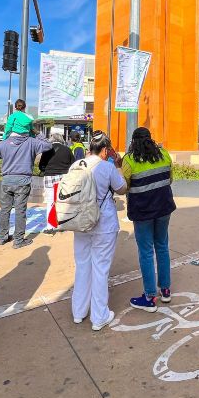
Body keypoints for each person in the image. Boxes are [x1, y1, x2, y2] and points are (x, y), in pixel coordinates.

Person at [71, 131, 127, 330]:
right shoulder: (106, 167)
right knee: (100, 269)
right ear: (105, 150)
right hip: (104, 223)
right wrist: (117, 167)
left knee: (82, 266)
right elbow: (121, 188)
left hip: (80, 223)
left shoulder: (76, 165)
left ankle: (79, 312)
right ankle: (99, 316)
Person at [122, 127, 176, 312]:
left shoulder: (129, 160)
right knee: (162, 247)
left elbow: (123, 186)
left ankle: (150, 297)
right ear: (150, 139)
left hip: (142, 212)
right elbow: (170, 179)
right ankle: (166, 290)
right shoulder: (164, 154)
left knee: (146, 252)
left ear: (133, 141)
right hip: (164, 209)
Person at [0, 124, 52, 249]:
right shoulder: (31, 142)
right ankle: (18, 240)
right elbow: (48, 145)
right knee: (20, 211)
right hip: (23, 181)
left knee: (4, 210)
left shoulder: (5, 143)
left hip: (6, 181)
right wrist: (37, 132)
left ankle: (2, 237)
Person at [39, 133, 74, 232]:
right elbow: (73, 164)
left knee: (50, 201)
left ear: (52, 139)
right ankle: (62, 225)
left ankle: (50, 227)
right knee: (62, 201)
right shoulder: (67, 149)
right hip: (63, 178)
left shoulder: (46, 150)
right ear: (61, 139)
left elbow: (41, 166)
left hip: (49, 177)